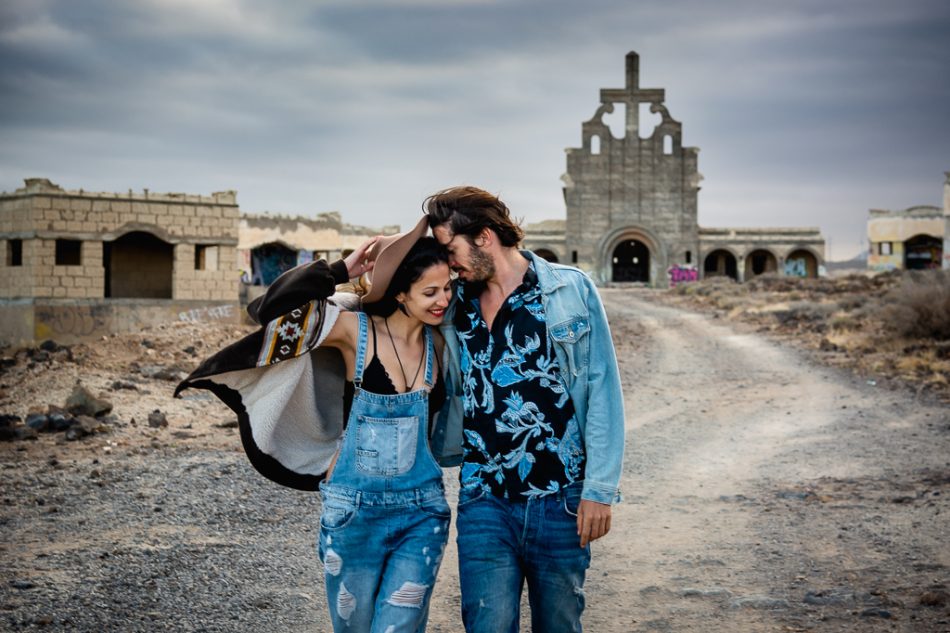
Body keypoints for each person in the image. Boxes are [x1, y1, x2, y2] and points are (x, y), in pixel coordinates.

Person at [176, 217, 455, 633]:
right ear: (400, 293)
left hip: (421, 513)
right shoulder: (352, 331)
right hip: (352, 513)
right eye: (430, 292)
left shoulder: (440, 343)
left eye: (448, 288)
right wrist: (340, 271)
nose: (443, 300)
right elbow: (273, 310)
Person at [424, 186, 626, 633]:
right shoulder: (453, 303)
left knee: (559, 624)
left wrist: (599, 490)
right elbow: (386, 285)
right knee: (486, 625)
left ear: (483, 236)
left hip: (562, 499)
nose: (448, 262)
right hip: (484, 498)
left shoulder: (569, 290)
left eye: (450, 248)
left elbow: (602, 392)